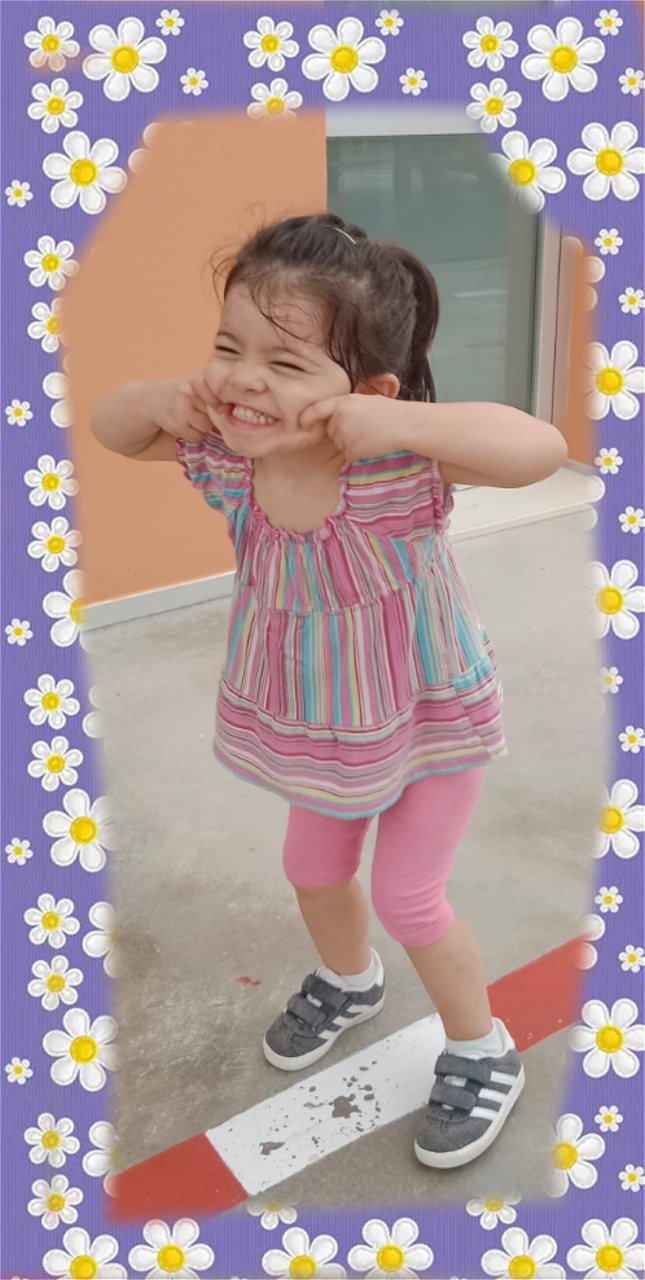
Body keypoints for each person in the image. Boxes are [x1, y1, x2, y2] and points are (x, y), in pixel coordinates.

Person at [92, 212, 568, 1169]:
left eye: (285, 361)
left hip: (426, 718)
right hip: (321, 726)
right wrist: (156, 394)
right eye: (228, 347)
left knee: (408, 896)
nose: (243, 378)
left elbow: (540, 449)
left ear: (368, 395)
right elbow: (115, 429)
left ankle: (481, 1046)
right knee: (312, 871)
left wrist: (405, 422)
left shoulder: (395, 467)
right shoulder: (231, 463)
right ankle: (351, 980)